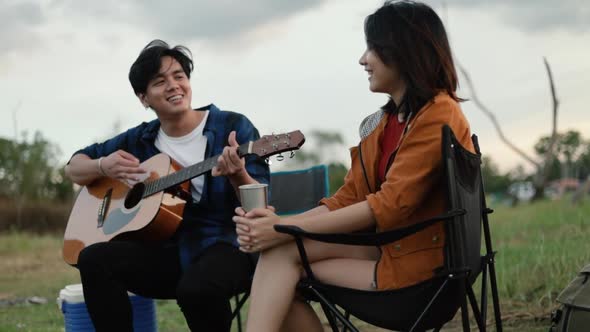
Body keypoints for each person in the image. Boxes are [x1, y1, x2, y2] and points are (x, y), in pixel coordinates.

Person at [233, 1, 475, 331]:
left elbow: (388, 206)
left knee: (279, 257)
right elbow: (346, 199)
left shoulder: (438, 113)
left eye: (373, 48)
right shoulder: (384, 123)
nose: (363, 59)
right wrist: (281, 225)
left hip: (422, 272)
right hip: (388, 249)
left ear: (403, 50)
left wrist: (282, 229)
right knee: (277, 258)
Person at [64, 39, 270, 331]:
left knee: (196, 288)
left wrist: (238, 175)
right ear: (144, 97)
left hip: (228, 245)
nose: (173, 85)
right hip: (166, 250)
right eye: (160, 81)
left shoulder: (232, 127)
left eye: (179, 77)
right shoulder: (141, 140)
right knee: (94, 258)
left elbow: (258, 206)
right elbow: (73, 166)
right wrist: (102, 165)